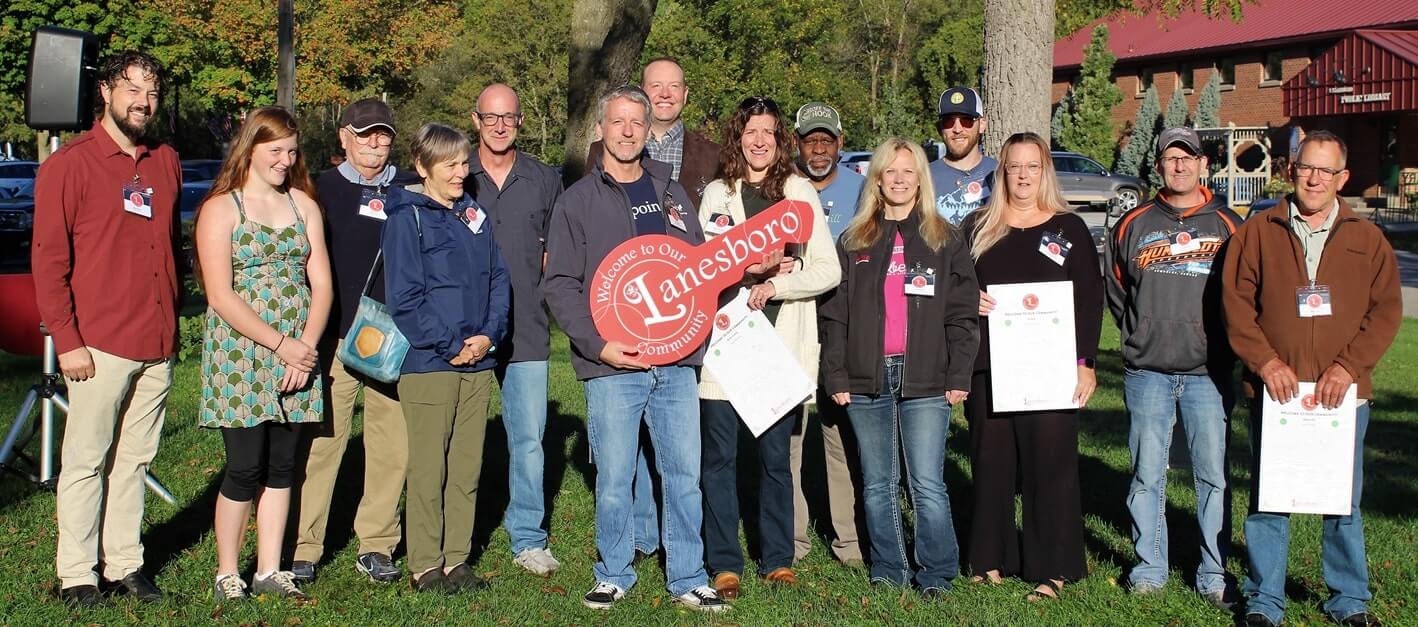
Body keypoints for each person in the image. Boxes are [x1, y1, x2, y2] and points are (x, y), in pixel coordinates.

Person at [543, 85, 726, 612]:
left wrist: (748, 270)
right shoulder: (577, 200)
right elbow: (559, 283)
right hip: (614, 365)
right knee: (616, 477)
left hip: (674, 363)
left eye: (636, 123)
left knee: (684, 475)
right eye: (617, 121)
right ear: (600, 128)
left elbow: (699, 270)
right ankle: (614, 571)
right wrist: (599, 347)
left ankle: (689, 575)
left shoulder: (671, 193)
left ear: (649, 131)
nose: (627, 131)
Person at [1223, 131, 1401, 627]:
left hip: (1342, 398)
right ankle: (1264, 601)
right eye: (1307, 167)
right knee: (1270, 498)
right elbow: (1236, 305)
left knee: (1342, 499)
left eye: (1326, 170)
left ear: (1343, 178)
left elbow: (1385, 311)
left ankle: (1348, 600)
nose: (1315, 178)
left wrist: (1348, 367)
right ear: (1291, 170)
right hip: (1275, 391)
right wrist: (1266, 363)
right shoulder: (1258, 231)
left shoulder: (1368, 240)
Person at [33, 51, 181, 607]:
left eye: (152, 93)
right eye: (133, 90)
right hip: (96, 345)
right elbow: (49, 262)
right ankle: (76, 572)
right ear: (105, 92)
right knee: (86, 461)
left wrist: (172, 328)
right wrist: (66, 342)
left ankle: (124, 563)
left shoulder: (165, 160)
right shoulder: (70, 165)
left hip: (156, 340)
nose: (144, 102)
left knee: (134, 462)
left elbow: (166, 251)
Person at [820, 137, 978, 596]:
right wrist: (836, 374)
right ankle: (889, 570)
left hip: (927, 378)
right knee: (877, 485)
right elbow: (833, 316)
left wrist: (958, 374)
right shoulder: (853, 239)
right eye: (891, 171)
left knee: (927, 484)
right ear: (878, 179)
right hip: (866, 377)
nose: (900, 179)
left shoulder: (943, 238)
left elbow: (963, 314)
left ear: (920, 180)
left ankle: (937, 573)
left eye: (909, 172)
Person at [696, 96, 839, 597]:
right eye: (750, 131)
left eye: (769, 133)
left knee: (776, 460)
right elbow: (701, 270)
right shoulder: (716, 194)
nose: (759, 141)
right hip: (724, 345)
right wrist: (746, 270)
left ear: (781, 141)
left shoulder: (798, 191)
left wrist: (777, 285)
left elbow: (828, 268)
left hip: (777, 349)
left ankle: (776, 558)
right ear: (737, 137)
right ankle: (724, 562)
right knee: (717, 459)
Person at [194, 106, 332, 601]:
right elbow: (220, 295)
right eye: (275, 151)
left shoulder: (304, 206)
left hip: (298, 351)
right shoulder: (221, 208)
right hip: (242, 354)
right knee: (244, 466)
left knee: (282, 466)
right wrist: (280, 345)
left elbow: (322, 284)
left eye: (292, 151)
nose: (285, 160)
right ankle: (228, 571)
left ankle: (270, 569)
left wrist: (305, 349)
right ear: (250, 148)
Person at [960, 131, 1102, 602]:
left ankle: (1052, 567)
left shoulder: (1070, 228)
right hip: (990, 366)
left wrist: (1085, 363)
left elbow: (1089, 301)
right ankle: (989, 558)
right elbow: (957, 290)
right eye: (1014, 166)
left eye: (1032, 166)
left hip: (1051, 369)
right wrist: (969, 300)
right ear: (1002, 173)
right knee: (991, 463)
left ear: (1045, 172)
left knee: (1050, 466)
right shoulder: (979, 226)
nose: (1022, 175)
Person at [1106, 127, 1241, 608]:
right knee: (1147, 474)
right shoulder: (1134, 223)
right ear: (1158, 166)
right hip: (1149, 371)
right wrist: (1142, 332)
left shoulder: (1229, 224)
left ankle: (1212, 571)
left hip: (1209, 371)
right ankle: (1150, 565)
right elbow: (1118, 290)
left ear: (1204, 165)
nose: (1179, 165)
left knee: (1212, 476)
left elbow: (1243, 295)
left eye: (1189, 157)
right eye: (1170, 158)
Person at [292, 98, 417, 584]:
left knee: (392, 446)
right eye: (365, 135)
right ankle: (305, 545)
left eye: (383, 135)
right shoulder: (319, 190)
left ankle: (378, 543)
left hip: (393, 341)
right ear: (344, 136)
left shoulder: (409, 188)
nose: (375, 144)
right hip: (336, 339)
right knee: (323, 443)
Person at [382, 123, 509, 594]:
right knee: (429, 468)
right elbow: (406, 298)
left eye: (463, 163)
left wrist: (487, 337)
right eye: (451, 165)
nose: (462, 172)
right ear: (423, 167)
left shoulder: (474, 215)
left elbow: (499, 279)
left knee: (466, 467)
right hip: (430, 364)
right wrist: (451, 344)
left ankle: (457, 559)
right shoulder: (406, 218)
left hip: (478, 362)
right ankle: (425, 564)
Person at [468, 83, 564, 577]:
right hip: (465, 330)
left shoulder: (545, 179)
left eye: (509, 118)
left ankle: (527, 536)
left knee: (528, 438)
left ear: (520, 121)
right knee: (461, 439)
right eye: (491, 117)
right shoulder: (457, 174)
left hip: (525, 326)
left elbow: (558, 251)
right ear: (476, 119)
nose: (500, 126)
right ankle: (455, 535)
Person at [792, 101, 866, 566]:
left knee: (843, 438)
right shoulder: (787, 190)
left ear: (840, 143)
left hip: (848, 328)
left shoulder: (864, 190)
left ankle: (851, 543)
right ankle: (793, 540)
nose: (818, 148)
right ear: (797, 145)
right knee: (791, 438)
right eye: (809, 140)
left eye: (826, 139)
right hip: (796, 324)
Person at [589, 57, 721, 210]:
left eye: (674, 86)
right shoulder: (602, 150)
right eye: (656, 86)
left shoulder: (714, 156)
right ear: (641, 92)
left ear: (685, 95)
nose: (665, 94)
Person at [929, 87, 996, 226]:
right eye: (948, 121)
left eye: (966, 120)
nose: (957, 129)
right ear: (939, 127)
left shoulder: (1000, 173)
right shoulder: (924, 177)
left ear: (982, 124)